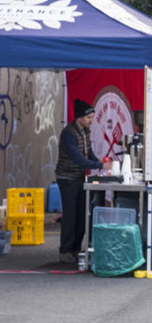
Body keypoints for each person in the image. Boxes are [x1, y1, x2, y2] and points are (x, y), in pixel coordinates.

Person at [54, 99, 111, 264]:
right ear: (79, 117)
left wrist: (99, 163)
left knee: (81, 216)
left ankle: (76, 248)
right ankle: (65, 251)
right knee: (70, 215)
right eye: (88, 118)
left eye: (92, 118)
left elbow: (88, 153)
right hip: (67, 178)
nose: (91, 121)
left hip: (80, 178)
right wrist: (99, 165)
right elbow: (77, 158)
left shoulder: (85, 131)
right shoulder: (68, 134)